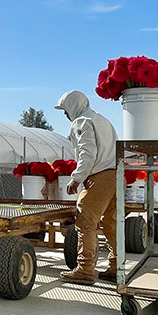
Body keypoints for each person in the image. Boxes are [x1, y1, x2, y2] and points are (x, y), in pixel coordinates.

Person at [54, 90, 119, 284]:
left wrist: (76, 178)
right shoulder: (102, 120)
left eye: (65, 109)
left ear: (72, 106)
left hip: (99, 176)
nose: (65, 114)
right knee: (111, 222)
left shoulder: (81, 122)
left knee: (85, 222)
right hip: (116, 174)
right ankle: (117, 266)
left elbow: (87, 153)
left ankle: (85, 269)